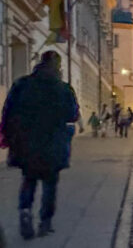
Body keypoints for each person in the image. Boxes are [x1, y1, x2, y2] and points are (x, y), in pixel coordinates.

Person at [0, 51, 80, 239]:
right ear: (58, 66)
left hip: (26, 144)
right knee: (50, 184)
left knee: (28, 179)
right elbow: (72, 115)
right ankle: (45, 222)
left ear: (40, 63)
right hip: (53, 144)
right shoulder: (63, 89)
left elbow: (8, 111)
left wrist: (8, 136)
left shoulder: (22, 84)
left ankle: (25, 211)